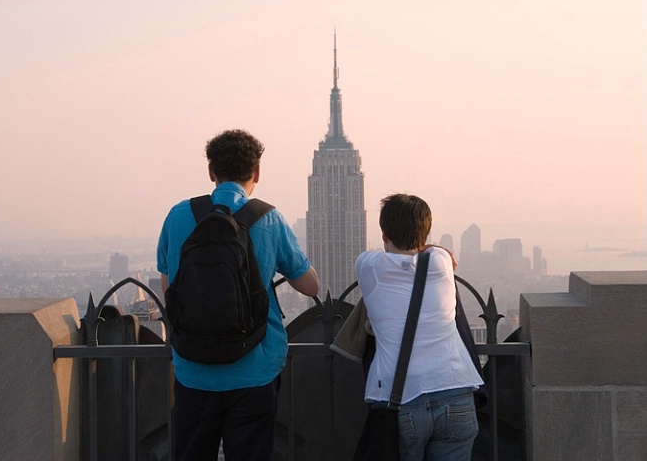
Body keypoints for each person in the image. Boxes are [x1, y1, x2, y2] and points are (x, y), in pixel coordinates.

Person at [157, 128, 319, 461]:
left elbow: (168, 286)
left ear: (211, 171)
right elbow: (310, 286)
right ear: (257, 172)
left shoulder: (178, 216)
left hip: (193, 369)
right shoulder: (269, 219)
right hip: (254, 369)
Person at [355, 194, 483, 461]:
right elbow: (436, 250)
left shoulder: (369, 267)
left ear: (384, 234)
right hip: (456, 391)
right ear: (425, 234)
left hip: (401, 401)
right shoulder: (440, 263)